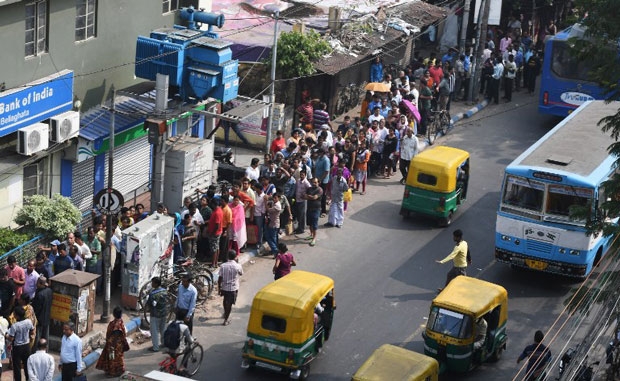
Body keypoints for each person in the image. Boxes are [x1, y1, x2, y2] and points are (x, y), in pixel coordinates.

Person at [96, 306, 128, 377]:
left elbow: (116, 335)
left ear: (113, 314)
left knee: (113, 359)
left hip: (115, 345)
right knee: (116, 358)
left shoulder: (117, 324)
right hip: (117, 345)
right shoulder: (120, 322)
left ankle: (113, 373)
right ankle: (117, 371)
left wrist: (112, 346)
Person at [7, 305, 34, 381]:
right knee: (27, 366)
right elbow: (32, 331)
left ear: (17, 316)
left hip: (17, 347)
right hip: (26, 346)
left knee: (17, 368)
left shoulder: (15, 326)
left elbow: (11, 338)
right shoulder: (28, 322)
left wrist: (6, 335)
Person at [218, 250, 243, 326]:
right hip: (233, 288)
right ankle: (226, 319)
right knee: (230, 304)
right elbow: (241, 273)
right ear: (235, 257)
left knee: (225, 300)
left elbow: (220, 278)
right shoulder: (238, 266)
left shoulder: (223, 266)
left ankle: (225, 313)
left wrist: (219, 288)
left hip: (224, 287)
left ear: (228, 256)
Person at [146, 277, 167, 352]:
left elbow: (149, 304)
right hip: (164, 313)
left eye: (152, 283)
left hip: (155, 315)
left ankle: (155, 347)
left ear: (156, 284)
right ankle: (164, 343)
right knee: (163, 329)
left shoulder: (153, 294)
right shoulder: (165, 291)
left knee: (154, 331)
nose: (151, 284)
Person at [31, 277, 52, 344]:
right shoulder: (49, 291)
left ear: (40, 283)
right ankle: (45, 348)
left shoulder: (40, 294)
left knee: (37, 336)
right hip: (47, 317)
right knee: (45, 336)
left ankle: (37, 350)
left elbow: (37, 308)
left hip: (39, 318)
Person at [304, 177, 323, 247]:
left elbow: (315, 197)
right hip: (309, 208)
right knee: (309, 223)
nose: (314, 184)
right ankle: (311, 235)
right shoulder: (309, 189)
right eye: (313, 182)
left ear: (318, 183)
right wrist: (311, 197)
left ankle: (314, 238)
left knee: (314, 224)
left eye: (315, 182)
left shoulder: (320, 190)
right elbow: (305, 196)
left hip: (316, 209)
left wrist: (309, 197)